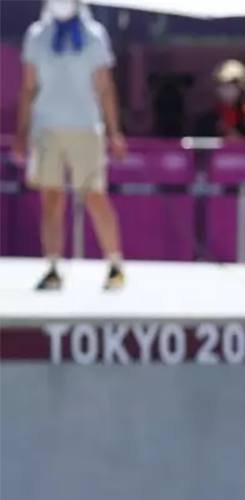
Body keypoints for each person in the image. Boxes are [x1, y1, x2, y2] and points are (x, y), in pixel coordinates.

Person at [13, 0, 127, 292]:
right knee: (51, 198)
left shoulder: (94, 35)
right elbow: (28, 87)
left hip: (86, 127)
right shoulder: (37, 35)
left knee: (94, 196)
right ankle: (53, 266)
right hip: (46, 128)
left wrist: (114, 131)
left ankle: (114, 264)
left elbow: (105, 86)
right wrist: (21, 133)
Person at [192, 59, 245, 143]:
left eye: (231, 87)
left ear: (242, 89)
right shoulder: (207, 121)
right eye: (222, 86)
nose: (226, 91)